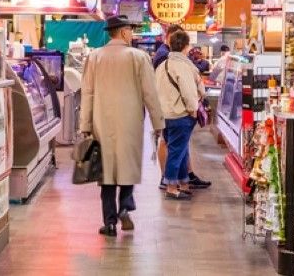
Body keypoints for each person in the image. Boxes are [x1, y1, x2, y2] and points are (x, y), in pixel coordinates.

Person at [79, 15, 164, 236]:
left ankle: (109, 223)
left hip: (101, 122)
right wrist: (158, 123)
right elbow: (150, 94)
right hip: (130, 122)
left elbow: (87, 93)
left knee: (106, 172)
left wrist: (85, 125)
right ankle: (125, 206)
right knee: (127, 166)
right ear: (124, 32)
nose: (133, 35)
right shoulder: (139, 57)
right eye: (131, 31)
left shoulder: (95, 57)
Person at [156, 30, 204, 200]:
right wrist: (193, 110)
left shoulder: (163, 65)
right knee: (177, 152)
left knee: (181, 151)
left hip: (165, 115)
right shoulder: (183, 66)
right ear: (186, 46)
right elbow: (190, 92)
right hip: (180, 115)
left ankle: (183, 183)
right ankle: (171, 187)